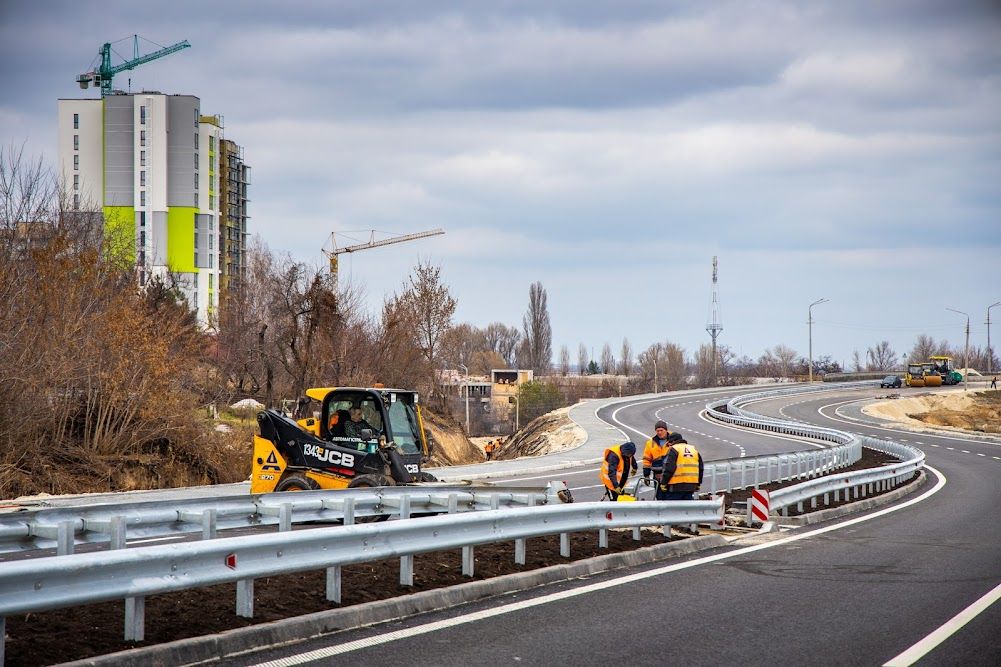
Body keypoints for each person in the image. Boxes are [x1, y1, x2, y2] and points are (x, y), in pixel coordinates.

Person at [657, 431, 704, 502]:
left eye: (669, 443)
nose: (669, 445)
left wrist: (663, 483)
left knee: (673, 509)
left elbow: (669, 468)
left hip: (676, 486)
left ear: (673, 441)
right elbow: (700, 468)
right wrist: (698, 483)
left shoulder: (674, 449)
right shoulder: (693, 450)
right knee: (687, 510)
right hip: (691, 486)